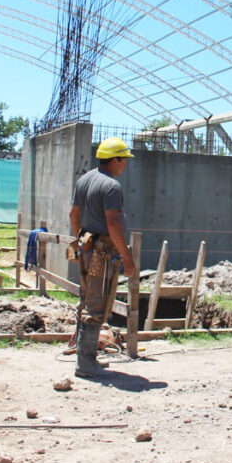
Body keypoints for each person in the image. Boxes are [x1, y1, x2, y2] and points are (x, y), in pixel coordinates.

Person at [69, 137, 138, 377]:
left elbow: (73, 214)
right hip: (102, 252)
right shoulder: (111, 186)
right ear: (115, 160)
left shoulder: (84, 180)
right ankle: (86, 364)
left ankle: (85, 358)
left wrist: (79, 240)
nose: (125, 165)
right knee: (97, 304)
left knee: (87, 298)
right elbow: (113, 222)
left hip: (87, 246)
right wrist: (127, 257)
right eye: (124, 160)